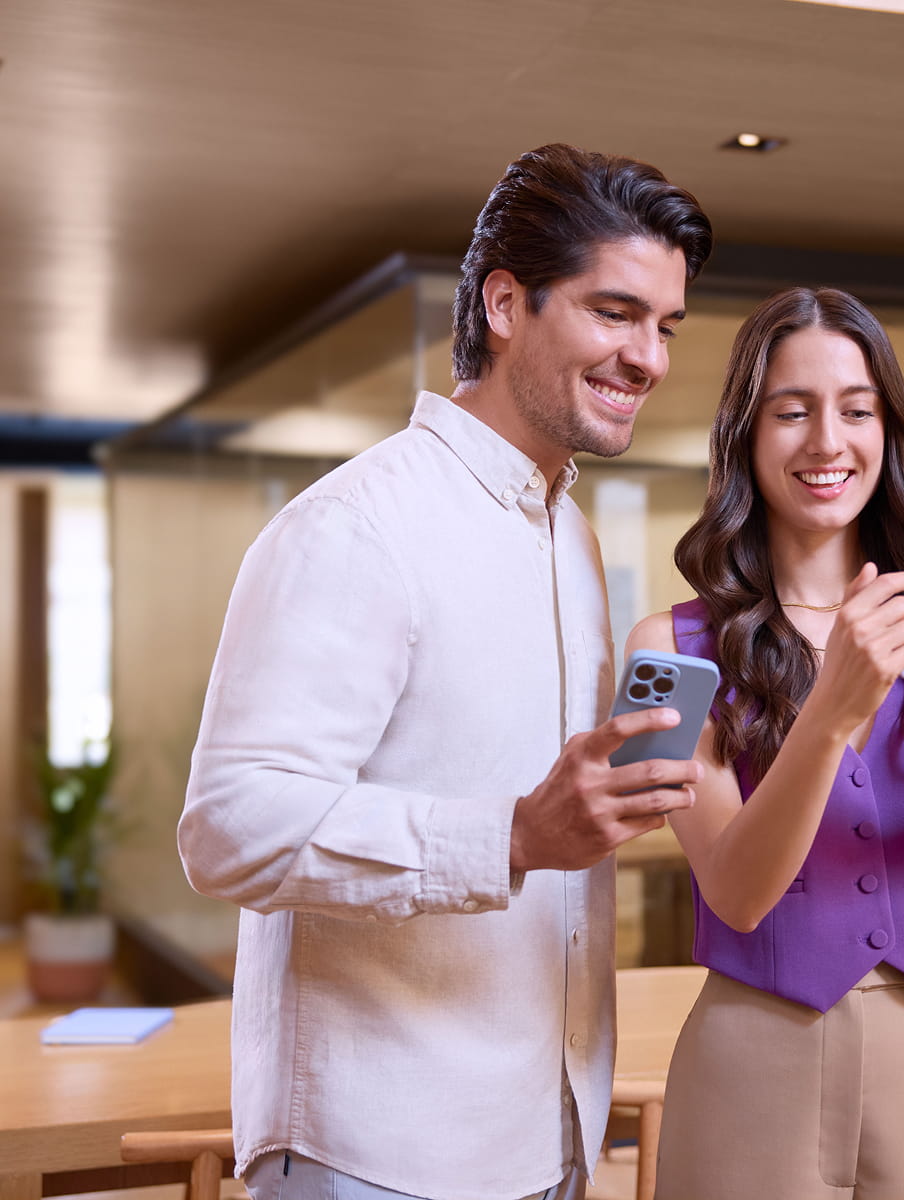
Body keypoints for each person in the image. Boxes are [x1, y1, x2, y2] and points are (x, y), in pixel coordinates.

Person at [177, 144, 713, 1200]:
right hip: (381, 1152)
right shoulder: (355, 527)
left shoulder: (569, 536)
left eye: (664, 325)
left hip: (551, 1129)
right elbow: (228, 826)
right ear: (507, 304)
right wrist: (514, 834)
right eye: (614, 312)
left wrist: (601, 805)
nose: (648, 356)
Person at [626, 286, 904, 1200]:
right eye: (792, 411)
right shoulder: (670, 647)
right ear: (745, 434)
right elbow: (736, 894)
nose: (828, 441)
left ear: (888, 432)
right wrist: (833, 707)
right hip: (752, 1059)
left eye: (857, 410)